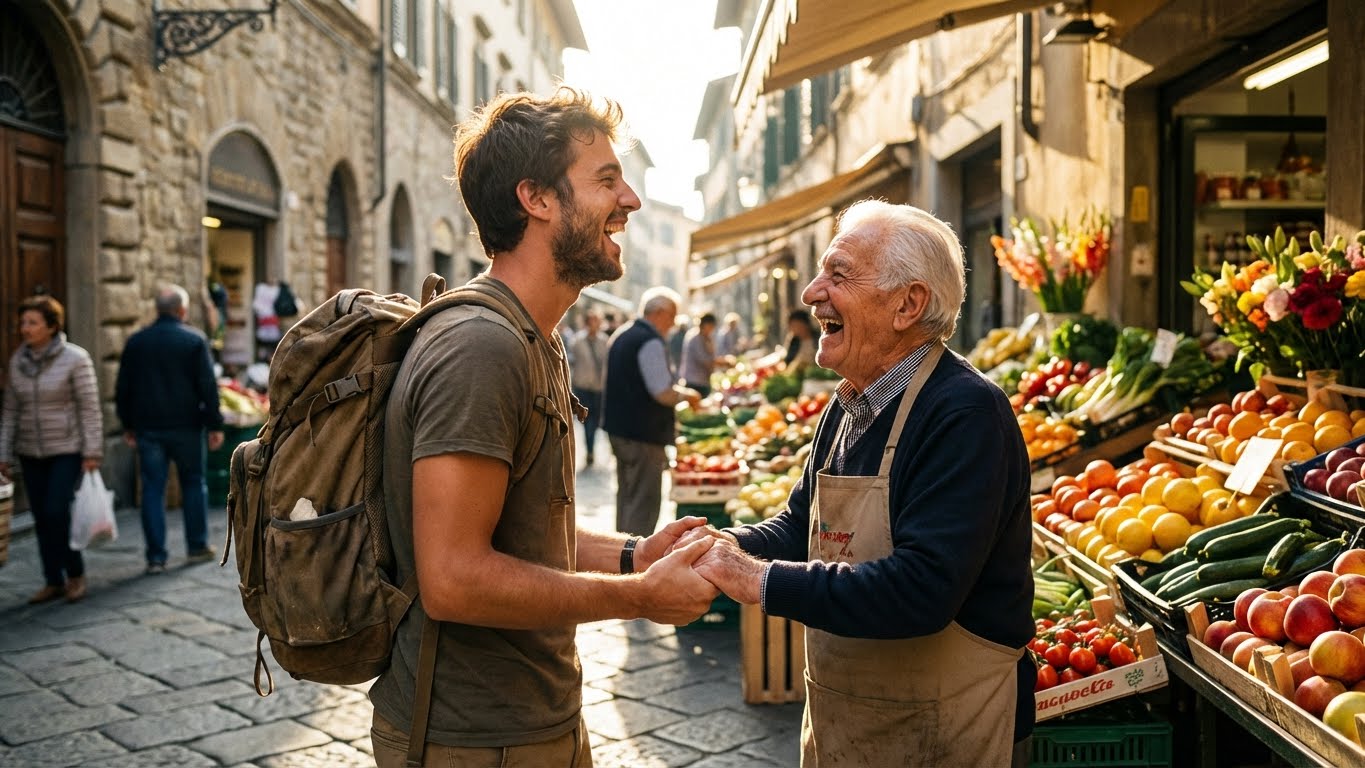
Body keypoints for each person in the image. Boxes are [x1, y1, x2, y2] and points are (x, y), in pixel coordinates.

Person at [366, 87, 720, 767]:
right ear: (536, 198)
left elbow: (521, 534)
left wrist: (634, 555)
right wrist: (639, 598)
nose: (630, 201)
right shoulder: (481, 346)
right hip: (471, 739)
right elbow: (454, 576)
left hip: (529, 719)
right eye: (606, 181)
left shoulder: (533, 337)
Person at [680, 201, 1034, 767]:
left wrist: (755, 579)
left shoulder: (965, 413)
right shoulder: (849, 403)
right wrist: (720, 545)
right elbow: (801, 526)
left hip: (945, 732)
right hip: (847, 723)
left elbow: (921, 591)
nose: (811, 293)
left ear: (907, 305)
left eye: (838, 274)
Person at [114, 284, 225, 574]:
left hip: (148, 427)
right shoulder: (194, 340)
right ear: (182, 310)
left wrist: (128, 424)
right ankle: (197, 546)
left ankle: (156, 557)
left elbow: (123, 387)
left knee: (152, 489)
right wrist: (215, 423)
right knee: (193, 483)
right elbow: (207, 385)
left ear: (158, 310)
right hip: (187, 426)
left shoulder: (137, 342)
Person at [0, 295, 103, 604]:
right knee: (41, 517)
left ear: (52, 326)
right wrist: (3, 454)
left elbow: (89, 408)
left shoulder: (76, 358)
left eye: (32, 322)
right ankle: (52, 580)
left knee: (57, 511)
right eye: (23, 322)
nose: (25, 328)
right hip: (29, 450)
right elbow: (10, 411)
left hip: (66, 448)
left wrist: (92, 451)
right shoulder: (17, 361)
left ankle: (75, 573)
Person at [602, 287, 702, 537]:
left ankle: (620, 550)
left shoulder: (624, 334)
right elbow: (662, 391)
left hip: (620, 430)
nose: (673, 324)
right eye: (672, 317)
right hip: (642, 433)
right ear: (658, 313)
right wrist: (687, 395)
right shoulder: (650, 341)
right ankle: (635, 554)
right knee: (643, 503)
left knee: (627, 496)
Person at [568, 309, 609, 467]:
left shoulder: (604, 341)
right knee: (587, 420)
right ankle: (590, 450)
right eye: (592, 321)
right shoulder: (577, 341)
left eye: (597, 321)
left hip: (599, 387)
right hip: (583, 386)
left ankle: (592, 446)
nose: (595, 324)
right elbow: (571, 362)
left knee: (596, 420)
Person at [678, 311, 724, 396]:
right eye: (711, 326)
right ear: (705, 325)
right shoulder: (695, 338)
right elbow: (704, 360)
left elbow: (711, 355)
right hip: (694, 381)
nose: (712, 330)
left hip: (703, 380)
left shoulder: (706, 337)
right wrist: (723, 362)